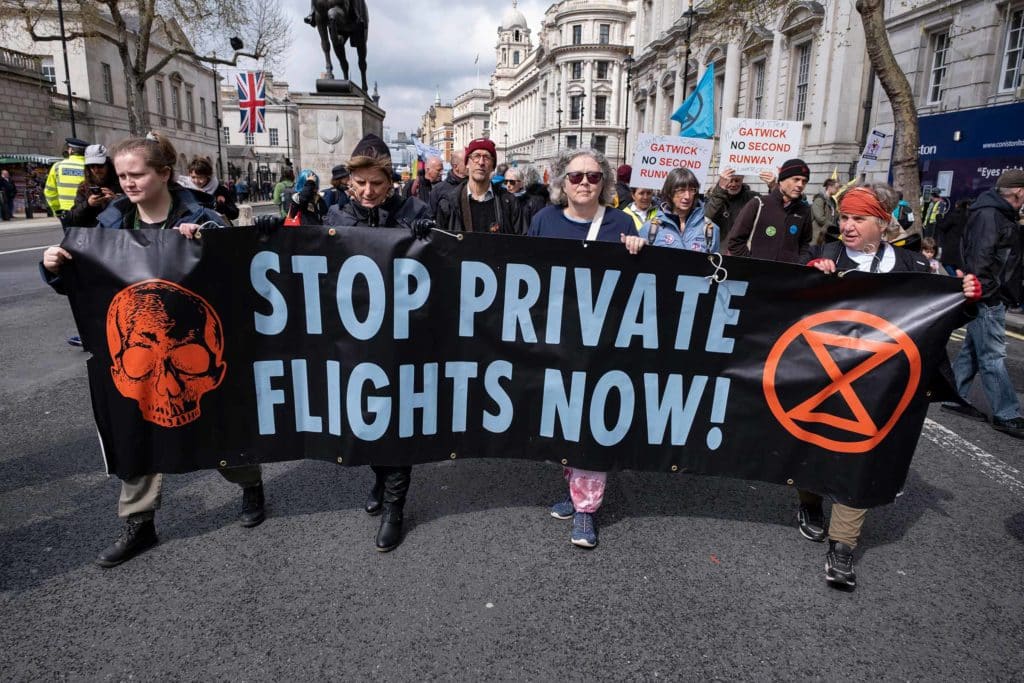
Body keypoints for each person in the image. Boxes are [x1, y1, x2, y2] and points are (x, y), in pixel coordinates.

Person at [39, 131, 267, 568]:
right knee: (135, 431)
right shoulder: (109, 223)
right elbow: (76, 275)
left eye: (137, 174)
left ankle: (249, 484)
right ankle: (138, 522)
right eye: (121, 174)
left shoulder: (198, 215)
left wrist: (206, 237)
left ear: (164, 174)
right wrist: (51, 264)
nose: (127, 182)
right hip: (139, 356)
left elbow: (236, 259)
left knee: (215, 422)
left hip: (188, 348)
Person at [801, 183, 981, 589]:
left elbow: (942, 319)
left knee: (861, 454)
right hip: (824, 377)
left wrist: (967, 299)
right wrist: (809, 280)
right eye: (844, 217)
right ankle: (808, 503)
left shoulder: (914, 267)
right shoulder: (823, 256)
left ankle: (843, 547)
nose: (847, 226)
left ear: (882, 224)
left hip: (883, 385)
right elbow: (786, 305)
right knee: (813, 448)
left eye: (858, 219)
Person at [527, 148, 641, 549]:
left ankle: (587, 511)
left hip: (601, 344)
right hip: (556, 342)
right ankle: (574, 491)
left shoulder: (620, 224)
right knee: (563, 422)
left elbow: (639, 285)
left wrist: (637, 250)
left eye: (594, 177)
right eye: (576, 177)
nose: (585, 184)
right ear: (561, 182)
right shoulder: (543, 221)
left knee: (592, 424)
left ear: (605, 183)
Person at [323, 133, 431, 551]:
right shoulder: (337, 217)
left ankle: (394, 507)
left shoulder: (415, 211)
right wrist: (273, 230)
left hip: (404, 339)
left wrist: (426, 235)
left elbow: (445, 264)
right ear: (350, 182)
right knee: (367, 416)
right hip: (356, 338)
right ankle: (380, 479)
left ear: (391, 184)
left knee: (398, 420)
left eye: (377, 185)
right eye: (360, 184)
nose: (368, 192)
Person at [941, 170, 1024, 438]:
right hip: (989, 296)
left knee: (972, 351)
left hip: (989, 294)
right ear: (1019, 191)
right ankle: (1007, 413)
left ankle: (956, 397)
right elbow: (981, 258)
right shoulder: (991, 214)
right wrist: (990, 294)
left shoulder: (996, 212)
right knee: (993, 356)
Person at [726, 158, 813, 264]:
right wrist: (751, 265)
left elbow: (805, 244)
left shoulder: (804, 210)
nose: (800, 185)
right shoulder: (758, 204)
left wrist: (798, 264)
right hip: (755, 276)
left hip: (787, 277)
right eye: (796, 179)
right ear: (781, 180)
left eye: (804, 181)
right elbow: (735, 241)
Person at [435, 138, 525, 234]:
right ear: (467, 164)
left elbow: (521, 242)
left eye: (486, 157)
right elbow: (440, 244)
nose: (481, 162)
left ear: (493, 166)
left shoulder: (509, 202)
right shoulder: (450, 203)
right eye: (476, 156)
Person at [638, 168, 720, 253]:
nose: (687, 196)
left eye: (692, 190)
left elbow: (714, 264)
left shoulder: (710, 229)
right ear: (669, 193)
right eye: (681, 190)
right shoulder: (650, 228)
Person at [63, 144, 122, 228]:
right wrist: (88, 204)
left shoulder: (120, 183)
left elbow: (134, 211)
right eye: (92, 166)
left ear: (107, 164)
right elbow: (74, 219)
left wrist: (116, 200)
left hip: (117, 235)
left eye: (100, 165)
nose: (96, 170)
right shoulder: (83, 187)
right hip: (93, 236)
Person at [704, 167, 776, 235]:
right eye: (730, 180)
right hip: (718, 246)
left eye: (737, 180)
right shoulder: (713, 197)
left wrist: (773, 188)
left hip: (742, 245)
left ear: (742, 178)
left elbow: (772, 210)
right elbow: (706, 216)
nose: (733, 184)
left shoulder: (753, 198)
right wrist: (721, 190)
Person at [44, 137, 89, 219]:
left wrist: (57, 210)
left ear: (70, 150)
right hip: (86, 210)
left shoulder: (57, 166)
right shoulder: (90, 167)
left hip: (65, 213)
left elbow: (49, 192)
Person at [183, 156, 238, 222]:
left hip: (215, 228)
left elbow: (234, 213)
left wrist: (220, 206)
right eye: (193, 177)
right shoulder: (186, 191)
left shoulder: (219, 190)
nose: (196, 181)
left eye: (200, 177)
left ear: (208, 175)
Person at [935, 198, 971, 274]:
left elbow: (943, 226)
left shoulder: (954, 215)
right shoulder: (967, 216)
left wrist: (938, 216)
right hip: (961, 244)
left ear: (957, 205)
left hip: (951, 243)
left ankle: (954, 277)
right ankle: (957, 277)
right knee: (956, 264)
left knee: (946, 263)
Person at [429, 150, 466, 217]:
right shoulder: (438, 190)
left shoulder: (474, 186)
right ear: (456, 166)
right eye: (466, 162)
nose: (470, 165)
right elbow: (431, 216)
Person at [811, 178, 839, 244]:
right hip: (818, 234)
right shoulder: (819, 200)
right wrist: (833, 227)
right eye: (836, 188)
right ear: (829, 187)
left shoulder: (832, 201)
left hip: (828, 233)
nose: (838, 190)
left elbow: (834, 214)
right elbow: (820, 218)